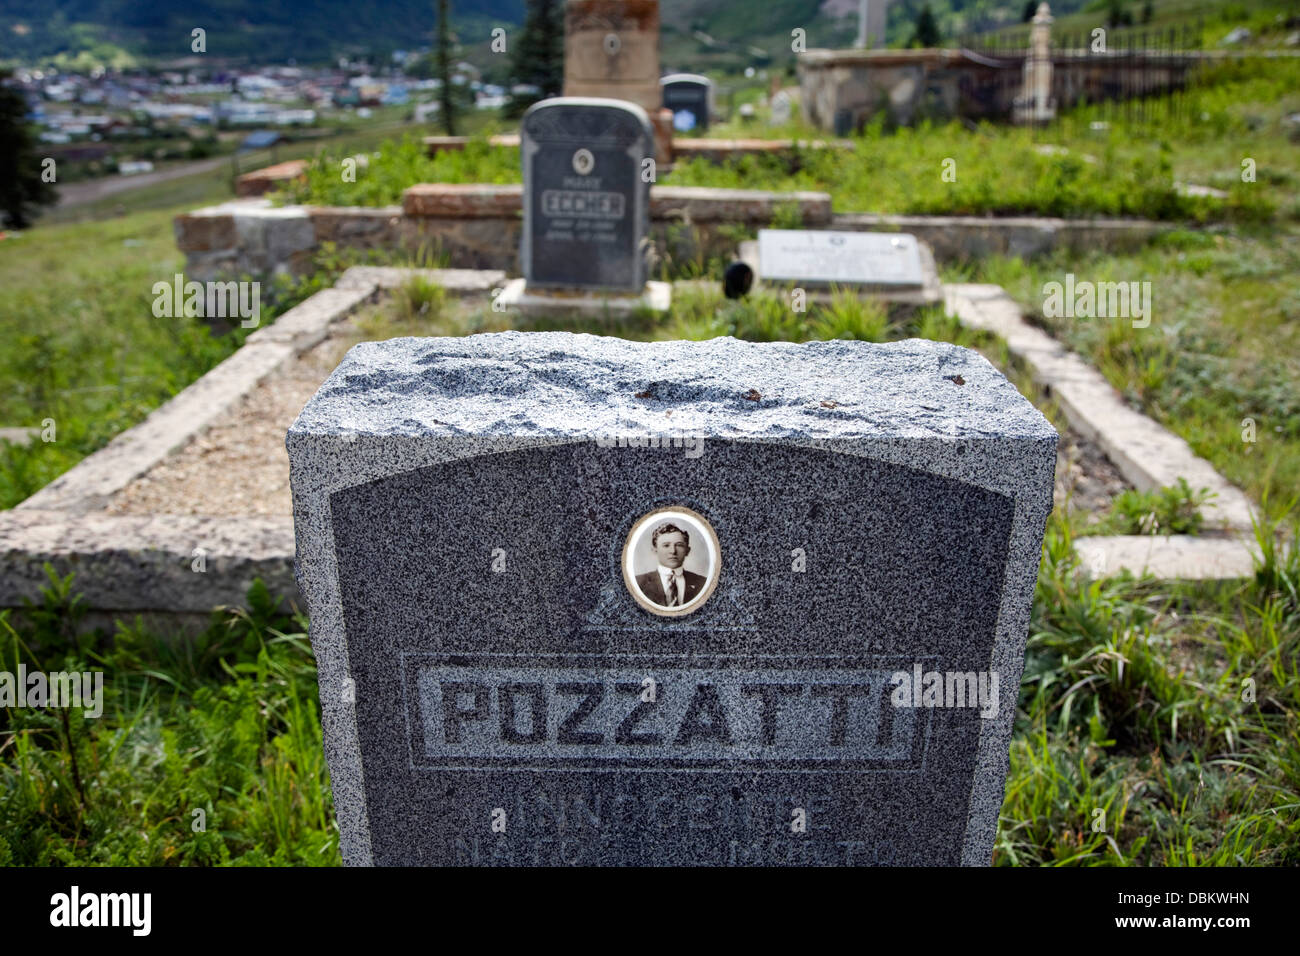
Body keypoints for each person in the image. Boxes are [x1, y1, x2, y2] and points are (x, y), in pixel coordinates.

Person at [634, 522, 707, 608]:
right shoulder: (638, 583)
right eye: (666, 545)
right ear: (655, 550)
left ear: (687, 550)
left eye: (679, 545)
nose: (673, 551)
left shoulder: (703, 583)